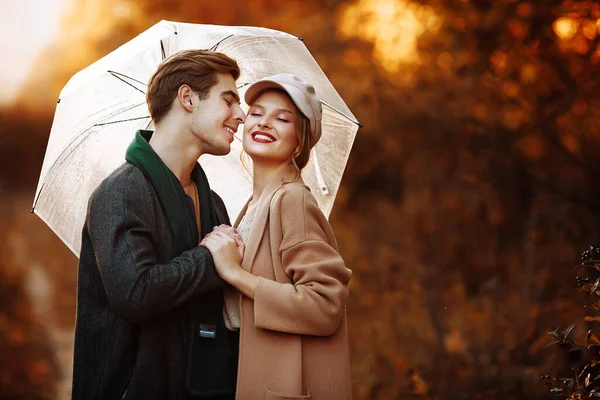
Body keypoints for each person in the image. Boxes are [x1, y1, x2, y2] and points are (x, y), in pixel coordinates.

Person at [72, 49, 246, 400]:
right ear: (187, 98)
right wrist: (209, 259)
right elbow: (135, 294)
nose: (241, 115)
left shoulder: (214, 204)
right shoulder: (121, 192)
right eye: (229, 101)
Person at [201, 73, 353, 400]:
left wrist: (234, 273)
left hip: (280, 384)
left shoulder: (293, 200)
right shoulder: (255, 204)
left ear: (300, 141)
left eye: (282, 118)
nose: (265, 122)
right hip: (238, 371)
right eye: (256, 113)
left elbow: (324, 305)